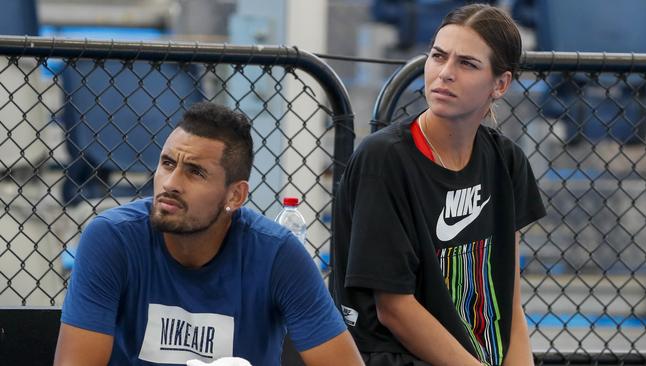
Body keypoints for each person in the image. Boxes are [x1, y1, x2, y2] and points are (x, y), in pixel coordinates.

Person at [54, 101, 364, 366]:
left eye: (195, 172)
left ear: (235, 196)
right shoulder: (111, 239)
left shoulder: (277, 254)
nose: (171, 183)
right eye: (167, 163)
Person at [333, 4, 546, 366]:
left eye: (467, 64)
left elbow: (508, 302)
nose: (444, 73)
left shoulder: (506, 161)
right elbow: (394, 309)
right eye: (438, 56)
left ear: (501, 84)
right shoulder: (384, 159)